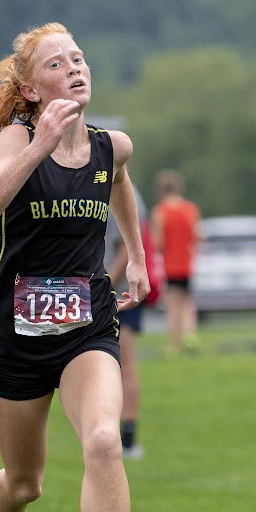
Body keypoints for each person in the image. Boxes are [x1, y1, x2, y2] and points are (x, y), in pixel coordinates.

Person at [0, 22, 153, 512]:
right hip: (16, 335)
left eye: (78, 57)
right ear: (31, 89)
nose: (74, 68)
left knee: (103, 439)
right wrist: (37, 146)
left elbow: (121, 184)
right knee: (24, 482)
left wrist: (138, 255)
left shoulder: (111, 146)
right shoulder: (16, 138)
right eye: (56, 63)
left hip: (87, 326)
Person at [104, 184, 148, 460]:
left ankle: (128, 439)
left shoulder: (123, 188)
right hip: (91, 292)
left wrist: (103, 289)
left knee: (125, 365)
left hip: (117, 293)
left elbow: (125, 251)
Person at [150, 168, 200, 355]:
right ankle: (190, 336)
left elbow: (159, 242)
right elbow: (197, 235)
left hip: (170, 264)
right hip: (187, 263)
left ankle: (174, 344)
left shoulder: (160, 211)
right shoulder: (190, 209)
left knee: (172, 305)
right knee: (187, 302)